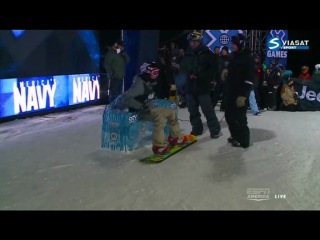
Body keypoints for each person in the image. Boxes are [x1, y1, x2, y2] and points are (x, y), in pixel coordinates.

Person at [116, 62, 187, 155]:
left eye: (157, 72)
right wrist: (139, 106)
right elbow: (126, 98)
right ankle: (158, 146)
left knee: (171, 112)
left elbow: (158, 92)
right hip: (138, 112)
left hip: (148, 107)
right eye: (154, 73)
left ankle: (174, 137)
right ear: (147, 72)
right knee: (159, 117)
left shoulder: (151, 81)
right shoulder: (139, 84)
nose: (156, 75)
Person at [182, 30, 221, 138]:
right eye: (190, 42)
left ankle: (215, 130)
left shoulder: (208, 54)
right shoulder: (188, 53)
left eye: (194, 42)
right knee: (192, 111)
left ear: (199, 41)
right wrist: (189, 74)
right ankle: (197, 128)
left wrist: (200, 76)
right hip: (190, 88)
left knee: (208, 110)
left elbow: (213, 70)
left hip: (202, 88)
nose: (192, 44)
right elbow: (184, 67)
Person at [225, 33, 256, 148]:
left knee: (240, 118)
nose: (232, 46)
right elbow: (231, 68)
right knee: (229, 115)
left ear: (241, 44)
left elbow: (250, 78)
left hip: (240, 93)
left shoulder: (248, 57)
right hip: (231, 91)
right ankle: (235, 136)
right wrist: (226, 72)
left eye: (234, 44)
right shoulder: (234, 55)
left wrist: (243, 95)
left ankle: (244, 141)